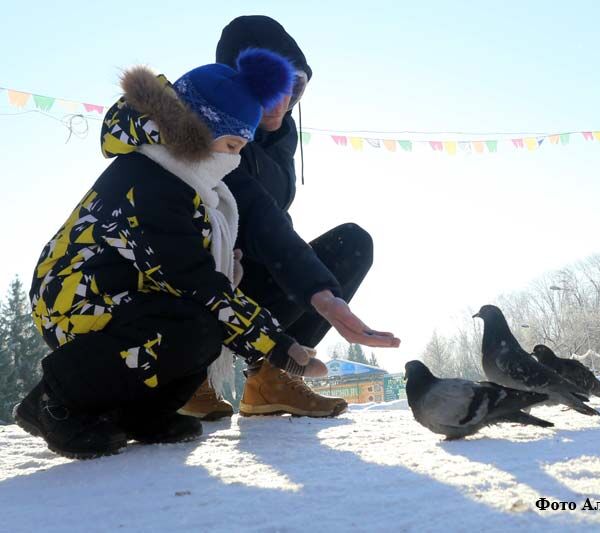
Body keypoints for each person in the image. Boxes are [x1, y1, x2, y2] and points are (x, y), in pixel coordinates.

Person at [14, 48, 319, 459]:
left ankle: (138, 415)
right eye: (231, 145)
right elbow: (193, 280)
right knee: (192, 323)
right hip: (76, 300)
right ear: (200, 135)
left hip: (123, 295)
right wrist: (278, 348)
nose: (234, 160)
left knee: (202, 330)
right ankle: (54, 400)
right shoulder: (151, 182)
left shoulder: (185, 181)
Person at [179, 15, 401, 420]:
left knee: (350, 245)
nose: (282, 102)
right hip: (194, 280)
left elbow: (271, 222)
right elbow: (252, 214)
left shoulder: (282, 137)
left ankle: (269, 376)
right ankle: (184, 377)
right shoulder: (207, 128)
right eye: (269, 87)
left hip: (254, 274)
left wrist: (322, 294)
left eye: (293, 87)